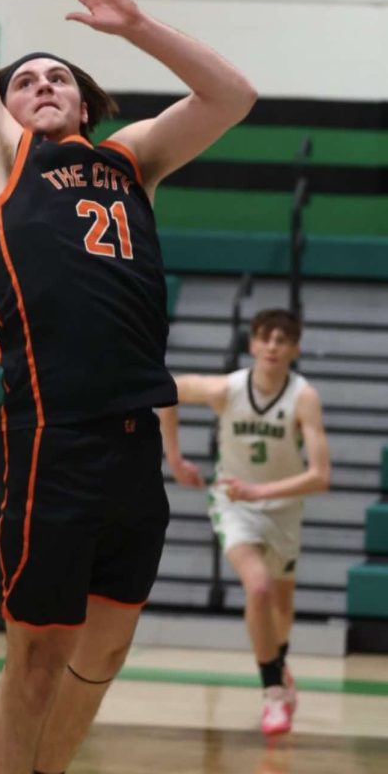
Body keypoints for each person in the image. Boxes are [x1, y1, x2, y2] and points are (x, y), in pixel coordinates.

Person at [0, 0, 258, 774]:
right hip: (54, 436)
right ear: (1, 108)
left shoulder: (131, 158)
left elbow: (232, 95)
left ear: (85, 100)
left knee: (103, 656)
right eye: (24, 79)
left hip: (133, 441)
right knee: (35, 657)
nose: (42, 84)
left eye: (59, 76)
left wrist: (135, 23)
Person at [160, 308, 331, 738]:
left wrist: (262, 492)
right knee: (256, 586)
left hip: (283, 505)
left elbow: (320, 477)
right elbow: (165, 390)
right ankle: (273, 691)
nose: (272, 346)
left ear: (294, 348)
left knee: (281, 608)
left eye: (282, 339)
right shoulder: (227, 389)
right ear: (252, 344)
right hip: (233, 502)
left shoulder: (303, 397)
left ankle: (277, 662)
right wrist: (175, 458)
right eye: (265, 337)